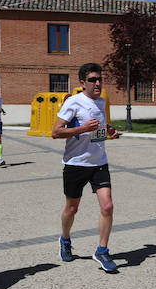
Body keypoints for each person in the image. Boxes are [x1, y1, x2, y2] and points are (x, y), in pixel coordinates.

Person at [51, 63, 120, 272]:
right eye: (93, 79)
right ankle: (64, 239)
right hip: (75, 164)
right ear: (83, 83)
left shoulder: (101, 102)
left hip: (99, 163)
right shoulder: (73, 102)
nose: (97, 83)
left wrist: (109, 131)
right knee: (72, 208)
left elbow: (98, 126)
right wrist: (82, 128)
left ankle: (102, 250)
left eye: (99, 79)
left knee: (107, 206)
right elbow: (55, 132)